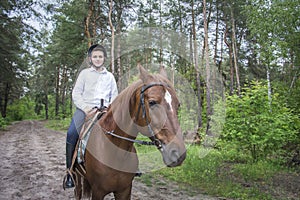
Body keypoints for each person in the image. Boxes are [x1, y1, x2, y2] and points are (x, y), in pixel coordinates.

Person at [64, 44, 118, 188]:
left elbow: (115, 95)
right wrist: (85, 108)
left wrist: (110, 108)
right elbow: (76, 93)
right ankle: (70, 172)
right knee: (71, 133)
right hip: (85, 110)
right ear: (90, 59)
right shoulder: (84, 74)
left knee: (123, 130)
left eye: (100, 56)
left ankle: (129, 165)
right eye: (95, 56)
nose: (98, 59)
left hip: (106, 111)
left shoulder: (110, 77)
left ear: (104, 58)